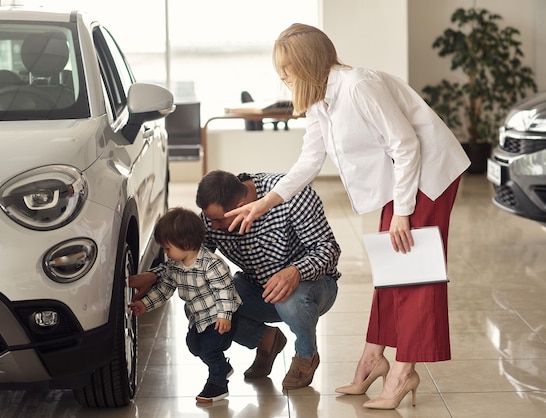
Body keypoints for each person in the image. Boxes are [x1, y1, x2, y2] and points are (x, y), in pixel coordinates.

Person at [224, 23, 471, 410]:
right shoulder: (321, 99)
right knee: (393, 268)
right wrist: (264, 202)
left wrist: (402, 213)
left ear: (307, 62)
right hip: (404, 175)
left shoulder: (358, 86)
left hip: (428, 172)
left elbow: (406, 145)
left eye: (287, 67)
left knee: (415, 274)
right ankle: (373, 360)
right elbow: (309, 160)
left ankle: (404, 374)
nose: (283, 76)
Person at [196, 170, 341, 390]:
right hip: (257, 289)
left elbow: (329, 249)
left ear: (242, 204)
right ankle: (267, 341)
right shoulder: (212, 217)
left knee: (289, 300)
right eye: (209, 219)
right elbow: (193, 261)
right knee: (205, 303)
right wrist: (155, 276)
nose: (212, 226)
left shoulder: (292, 195)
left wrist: (295, 271)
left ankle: (306, 355)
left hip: (313, 287)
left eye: (217, 220)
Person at [128, 207, 241, 403]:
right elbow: (165, 288)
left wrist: (225, 315)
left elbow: (225, 292)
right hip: (198, 318)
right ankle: (220, 366)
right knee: (194, 346)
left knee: (209, 350)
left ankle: (217, 383)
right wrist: (145, 304)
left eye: (167, 248)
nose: (165, 252)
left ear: (186, 243)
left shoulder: (212, 264)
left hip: (220, 316)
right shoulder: (175, 266)